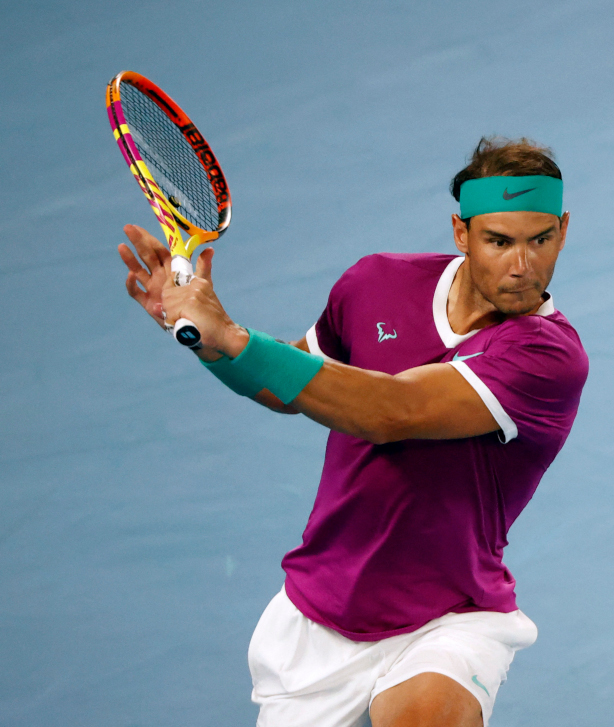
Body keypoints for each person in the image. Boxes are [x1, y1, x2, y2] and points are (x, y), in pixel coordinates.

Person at [118, 137, 588, 727]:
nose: (522, 265)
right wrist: (211, 346)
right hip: (319, 612)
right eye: (499, 241)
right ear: (461, 233)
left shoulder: (548, 355)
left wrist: (233, 335)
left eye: (540, 239)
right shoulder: (376, 283)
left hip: (451, 614)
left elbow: (393, 411)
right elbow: (287, 386)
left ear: (563, 231)